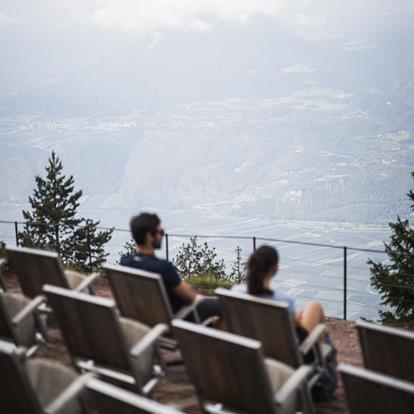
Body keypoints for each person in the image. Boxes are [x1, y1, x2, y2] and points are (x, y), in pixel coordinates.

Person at [233, 245, 337, 401]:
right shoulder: (283, 301)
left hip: (255, 349)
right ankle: (323, 373)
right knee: (314, 308)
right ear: (274, 269)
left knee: (303, 314)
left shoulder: (236, 292)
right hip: (287, 358)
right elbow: (295, 335)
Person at [120, 212, 221, 323]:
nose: (162, 235)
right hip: (174, 321)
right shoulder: (163, 267)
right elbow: (191, 298)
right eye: (161, 232)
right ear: (149, 236)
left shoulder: (125, 262)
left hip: (142, 319)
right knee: (223, 307)